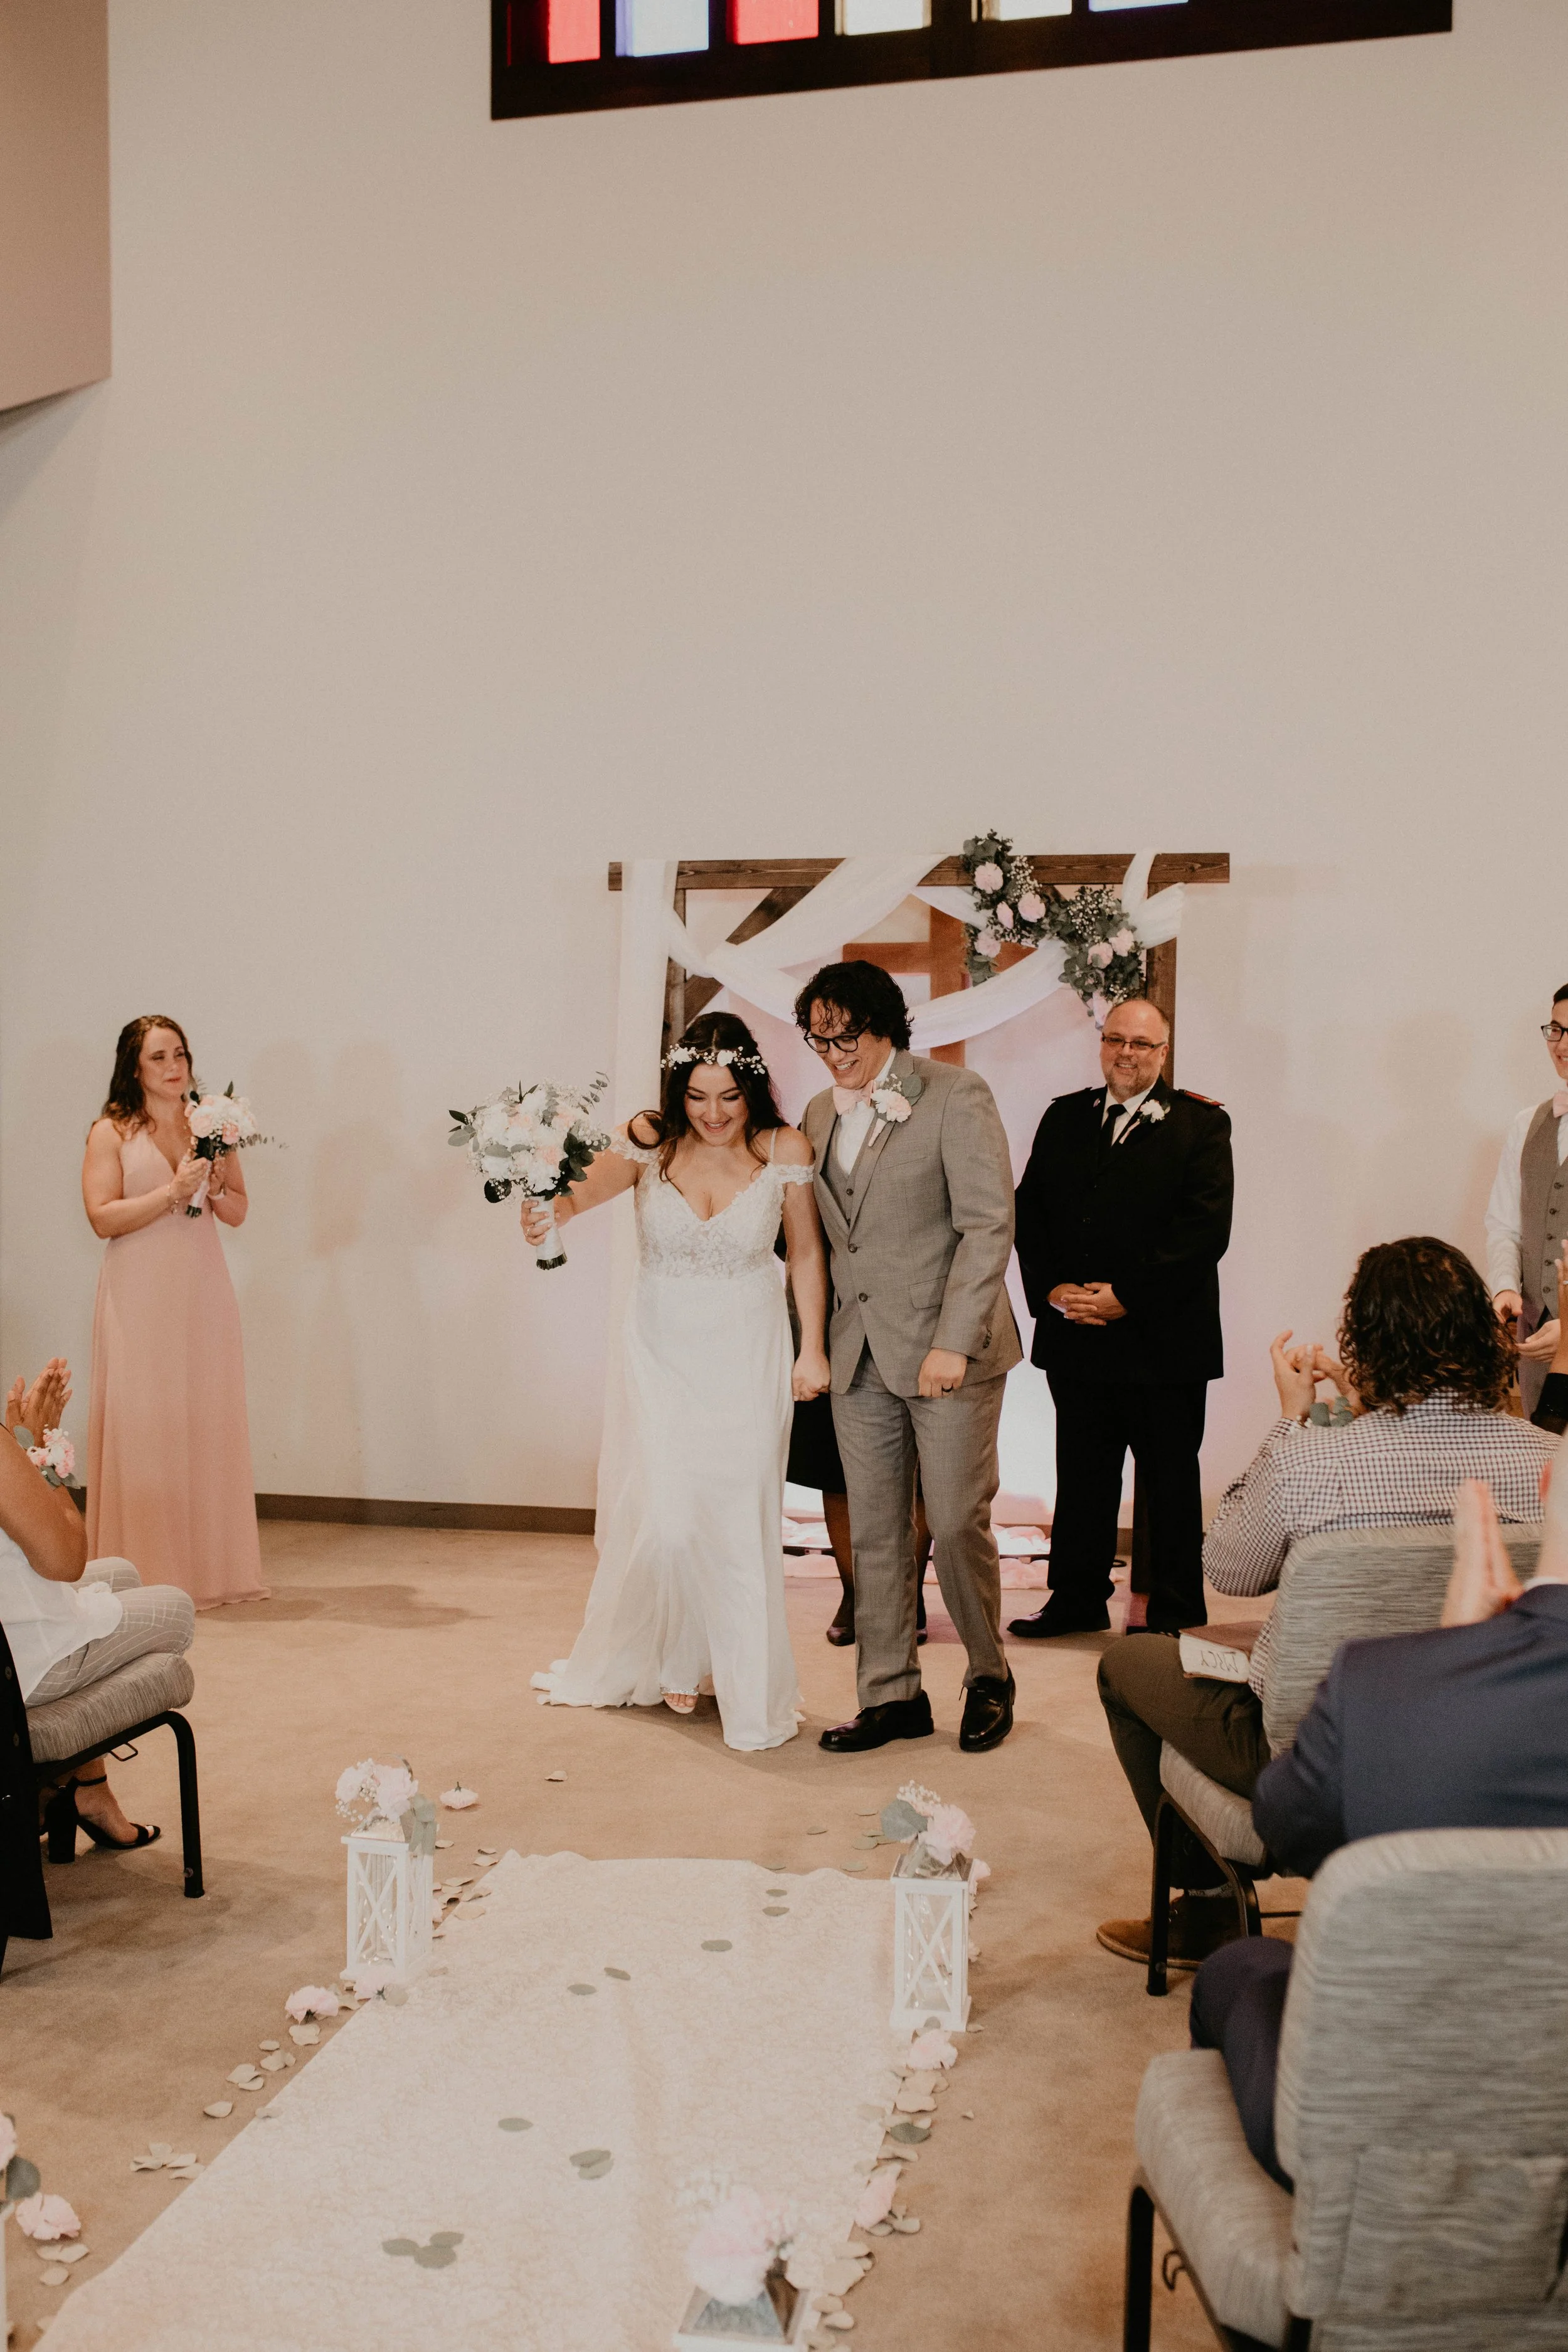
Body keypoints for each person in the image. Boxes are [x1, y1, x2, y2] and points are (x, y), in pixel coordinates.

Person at [1095, 1235, 1553, 1971]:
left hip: (1315, 1753)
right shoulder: (1548, 1461)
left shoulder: (1312, 1459)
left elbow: (1229, 1570)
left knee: (1128, 1663)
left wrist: (1290, 1420)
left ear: (1363, 1344)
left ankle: (1208, 1904)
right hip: (1487, 1747)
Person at [1190, 1470, 1568, 2189]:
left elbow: (1283, 1827)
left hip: (1400, 2142)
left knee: (1237, 1968)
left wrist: (1447, 1667)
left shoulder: (1382, 1689)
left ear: (1548, 1482)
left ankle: (1309, 2273)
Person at [525, 1012, 829, 1752]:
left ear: (752, 1087)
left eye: (729, 1096)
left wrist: (811, 1349)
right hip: (661, 1350)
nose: (715, 1114)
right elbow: (566, 1203)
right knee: (668, 1519)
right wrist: (538, 1209)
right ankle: (671, 1654)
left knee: (734, 1519)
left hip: (749, 1352)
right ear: (677, 1089)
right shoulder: (649, 1141)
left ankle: (732, 1683)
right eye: (698, 1096)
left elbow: (807, 1255)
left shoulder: (783, 1148)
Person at [795, 960, 1020, 1755]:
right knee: (879, 1531)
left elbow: (989, 1225)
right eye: (818, 1038)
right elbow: (825, 1236)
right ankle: (891, 1695)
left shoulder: (956, 1096)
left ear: (884, 1024)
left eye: (844, 1034)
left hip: (946, 1351)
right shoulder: (818, 1114)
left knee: (957, 1522)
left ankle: (988, 1674)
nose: (832, 1052)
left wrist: (952, 1341)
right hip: (858, 1355)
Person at [1010, 995, 1232, 1640]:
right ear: (1101, 1044)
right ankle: (1074, 1599)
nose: (1125, 1054)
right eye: (1115, 1040)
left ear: (1161, 1053)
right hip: (1076, 1335)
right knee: (1081, 1475)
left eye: (1140, 1044)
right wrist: (1053, 1290)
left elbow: (1203, 1232)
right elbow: (1032, 1215)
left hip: (1164, 1341)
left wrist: (1126, 1294)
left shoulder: (1200, 1126)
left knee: (1167, 1479)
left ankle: (1172, 1611)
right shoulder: (1063, 1118)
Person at [82, 1016, 265, 1609]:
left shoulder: (212, 1125)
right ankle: (146, 1574)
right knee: (146, 1421)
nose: (174, 1066)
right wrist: (170, 1192)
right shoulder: (110, 1132)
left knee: (204, 1417)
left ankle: (210, 1571)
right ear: (134, 1067)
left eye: (180, 1053)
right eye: (158, 1056)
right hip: (138, 1292)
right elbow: (102, 1218)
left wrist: (211, 1186)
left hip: (201, 1289)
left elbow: (237, 1210)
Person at [0, 1355, 193, 1852]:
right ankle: (80, 1788)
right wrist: (35, 1446)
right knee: (176, 1609)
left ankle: (87, 1788)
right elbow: (67, 1560)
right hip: (26, 1667)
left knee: (124, 1574)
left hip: (12, 1632)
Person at [1485, 983, 1568, 1415]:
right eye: (1556, 1029)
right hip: (1536, 1348)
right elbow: (1504, 1225)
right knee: (1545, 1474)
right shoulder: (1526, 1124)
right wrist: (1504, 1287)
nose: (1562, 1044)